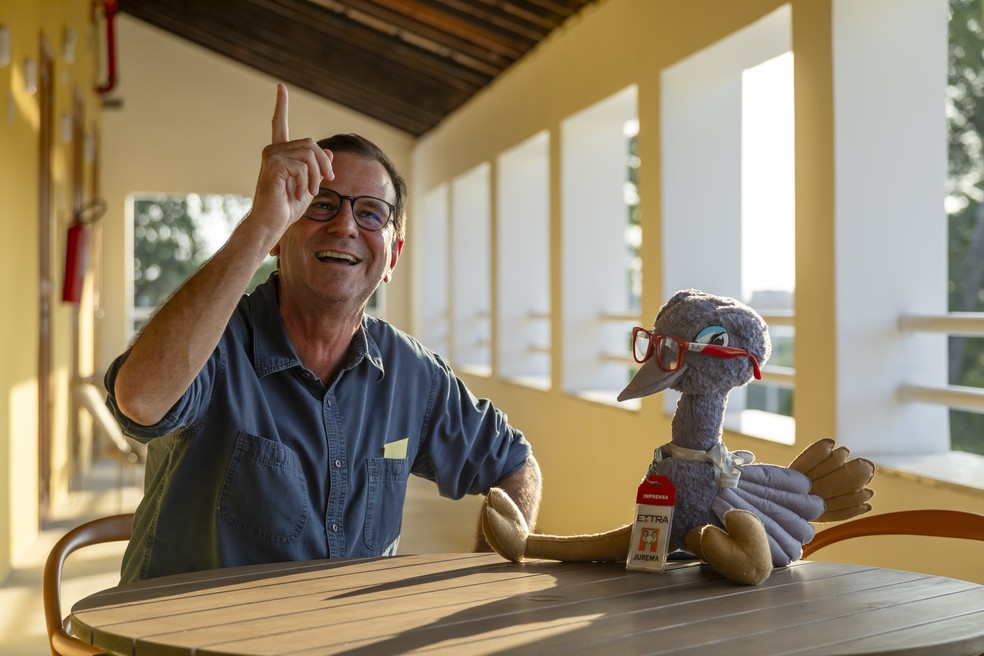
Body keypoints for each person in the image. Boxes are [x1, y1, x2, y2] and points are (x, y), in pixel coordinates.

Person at [106, 83, 542, 582]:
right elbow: (140, 399)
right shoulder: (216, 344)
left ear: (393, 257)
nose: (345, 227)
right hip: (191, 625)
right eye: (322, 205)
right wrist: (259, 224)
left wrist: (487, 581)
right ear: (281, 234)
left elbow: (515, 465)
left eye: (371, 213)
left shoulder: (412, 375)